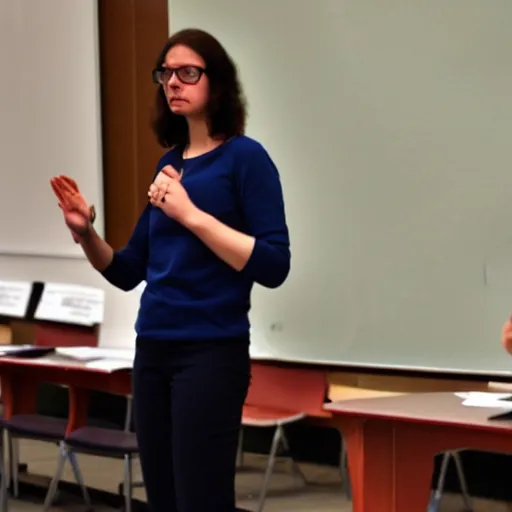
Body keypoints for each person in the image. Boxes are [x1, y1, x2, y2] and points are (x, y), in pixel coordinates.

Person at [49, 28, 290, 512]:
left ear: (216, 83)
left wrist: (190, 214)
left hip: (210, 354)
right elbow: (128, 270)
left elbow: (273, 264)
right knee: (162, 497)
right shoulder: (169, 164)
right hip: (153, 349)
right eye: (166, 74)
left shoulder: (245, 158)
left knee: (200, 499)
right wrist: (85, 234)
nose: (174, 83)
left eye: (188, 73)